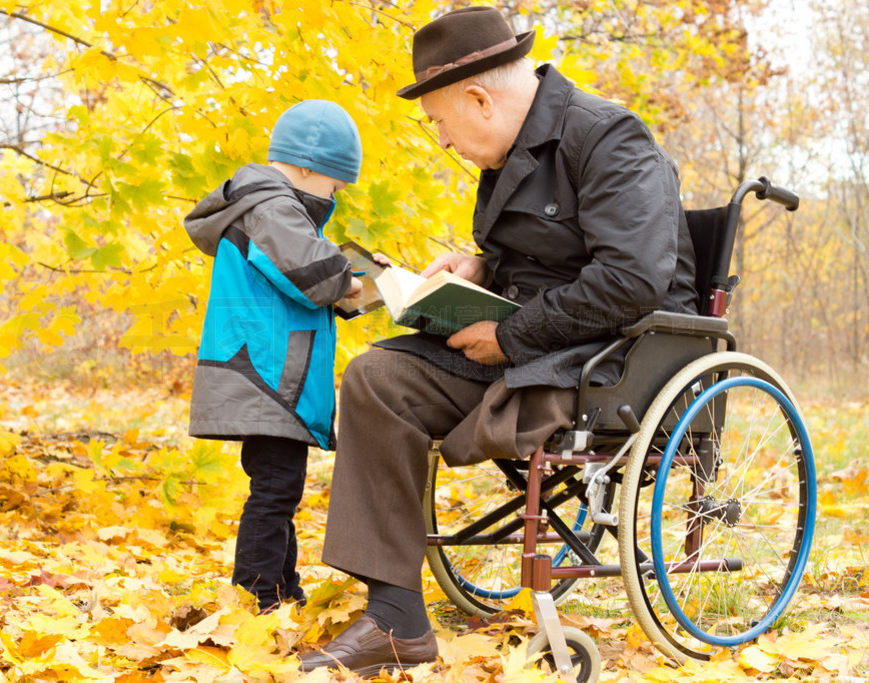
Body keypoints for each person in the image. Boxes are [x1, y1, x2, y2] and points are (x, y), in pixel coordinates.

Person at [298, 6, 698, 676]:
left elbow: (630, 280)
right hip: (535, 344)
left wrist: (510, 334)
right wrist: (478, 267)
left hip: (613, 362)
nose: (443, 141)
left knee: (462, 380)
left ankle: (401, 611)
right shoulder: (508, 156)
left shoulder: (608, 138)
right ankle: (396, 619)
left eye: (439, 122)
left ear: (479, 99)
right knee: (377, 377)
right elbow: (533, 261)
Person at [185, 99, 364, 612]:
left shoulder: (271, 208)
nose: (338, 193)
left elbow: (295, 278)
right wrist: (350, 281)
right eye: (336, 182)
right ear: (308, 165)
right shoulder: (271, 206)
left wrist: (357, 283)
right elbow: (315, 275)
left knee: (277, 489)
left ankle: (282, 589)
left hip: (269, 374)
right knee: (275, 491)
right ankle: (256, 597)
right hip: (266, 376)